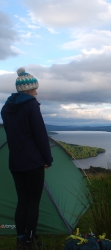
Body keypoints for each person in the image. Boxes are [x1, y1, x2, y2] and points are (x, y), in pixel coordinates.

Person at [1, 67, 53, 250]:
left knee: (22, 200)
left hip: (15, 162)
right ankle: (30, 241)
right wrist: (48, 158)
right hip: (33, 162)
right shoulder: (31, 105)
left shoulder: (6, 109)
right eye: (35, 89)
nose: (36, 92)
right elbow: (40, 135)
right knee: (33, 202)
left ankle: (21, 237)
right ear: (29, 89)